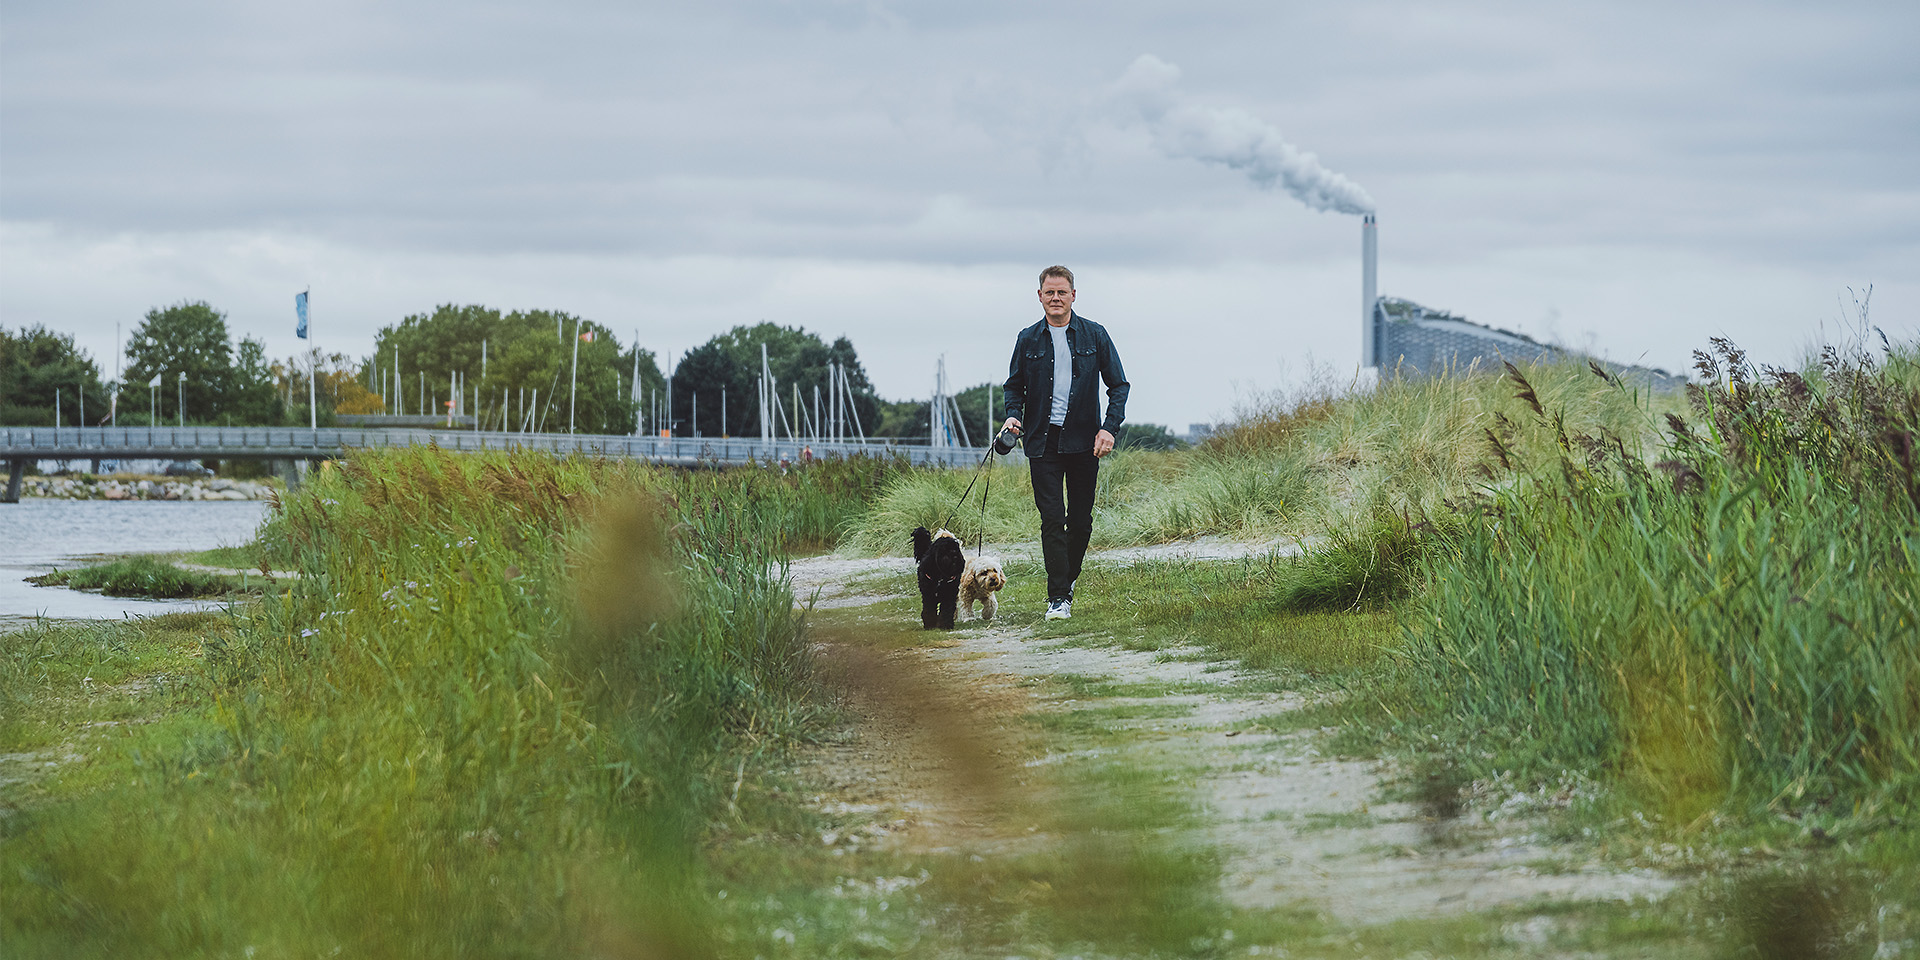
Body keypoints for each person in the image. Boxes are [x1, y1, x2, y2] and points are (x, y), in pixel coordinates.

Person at [1000, 265, 1129, 621]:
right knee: (1052, 518)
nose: (1055, 298)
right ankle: (1058, 597)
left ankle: (1067, 580)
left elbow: (1119, 385)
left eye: (1062, 292)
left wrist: (1109, 428)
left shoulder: (1095, 335)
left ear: (1073, 295)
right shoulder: (1027, 338)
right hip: (1042, 441)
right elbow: (1014, 386)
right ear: (1039, 296)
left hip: (1086, 441)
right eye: (1049, 292)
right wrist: (1013, 413)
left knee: (1081, 520)